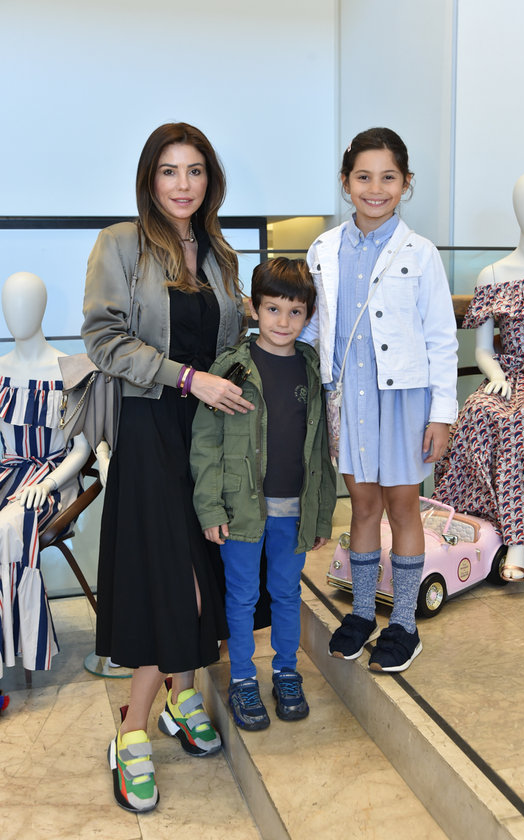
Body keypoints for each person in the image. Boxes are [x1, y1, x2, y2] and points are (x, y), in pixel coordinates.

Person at [81, 122, 254, 814]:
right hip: (151, 424)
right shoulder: (121, 243)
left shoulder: (219, 253)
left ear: (210, 180)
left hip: (207, 434)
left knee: (204, 567)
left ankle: (183, 700)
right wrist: (187, 378)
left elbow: (231, 340)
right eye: (169, 171)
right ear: (149, 180)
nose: (183, 185)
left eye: (195, 171)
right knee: (173, 581)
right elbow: (103, 338)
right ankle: (131, 730)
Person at [300, 127, 458, 673]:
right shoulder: (323, 250)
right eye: (363, 177)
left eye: (388, 177)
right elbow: (313, 326)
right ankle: (363, 613)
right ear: (345, 182)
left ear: (406, 182)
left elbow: (441, 339)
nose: (375, 188)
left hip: (404, 400)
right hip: (347, 401)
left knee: (403, 507)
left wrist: (442, 414)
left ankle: (405, 624)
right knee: (363, 507)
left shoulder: (422, 253)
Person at [190, 258, 337, 729]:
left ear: (308, 315)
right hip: (240, 512)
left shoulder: (311, 368)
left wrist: (321, 514)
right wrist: (210, 508)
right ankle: (242, 679)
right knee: (241, 597)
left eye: (295, 312)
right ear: (254, 309)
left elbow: (321, 450)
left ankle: (287, 673)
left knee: (287, 594)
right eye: (273, 309)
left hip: (294, 511)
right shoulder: (231, 368)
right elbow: (206, 445)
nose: (283, 321)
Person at [435, 170, 524, 582]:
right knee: (478, 410)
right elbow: (483, 349)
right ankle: (472, 529)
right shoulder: (493, 274)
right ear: (516, 210)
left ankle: (520, 541)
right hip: (512, 371)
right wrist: (495, 373)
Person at [0, 271, 90, 682]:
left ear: (42, 308)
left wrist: (48, 483)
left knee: (7, 526)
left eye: (25, 303)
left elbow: (82, 449)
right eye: (9, 304)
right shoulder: (0, 371)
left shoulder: (70, 369)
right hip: (9, 472)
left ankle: (17, 646)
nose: (15, 314)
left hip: (52, 479)